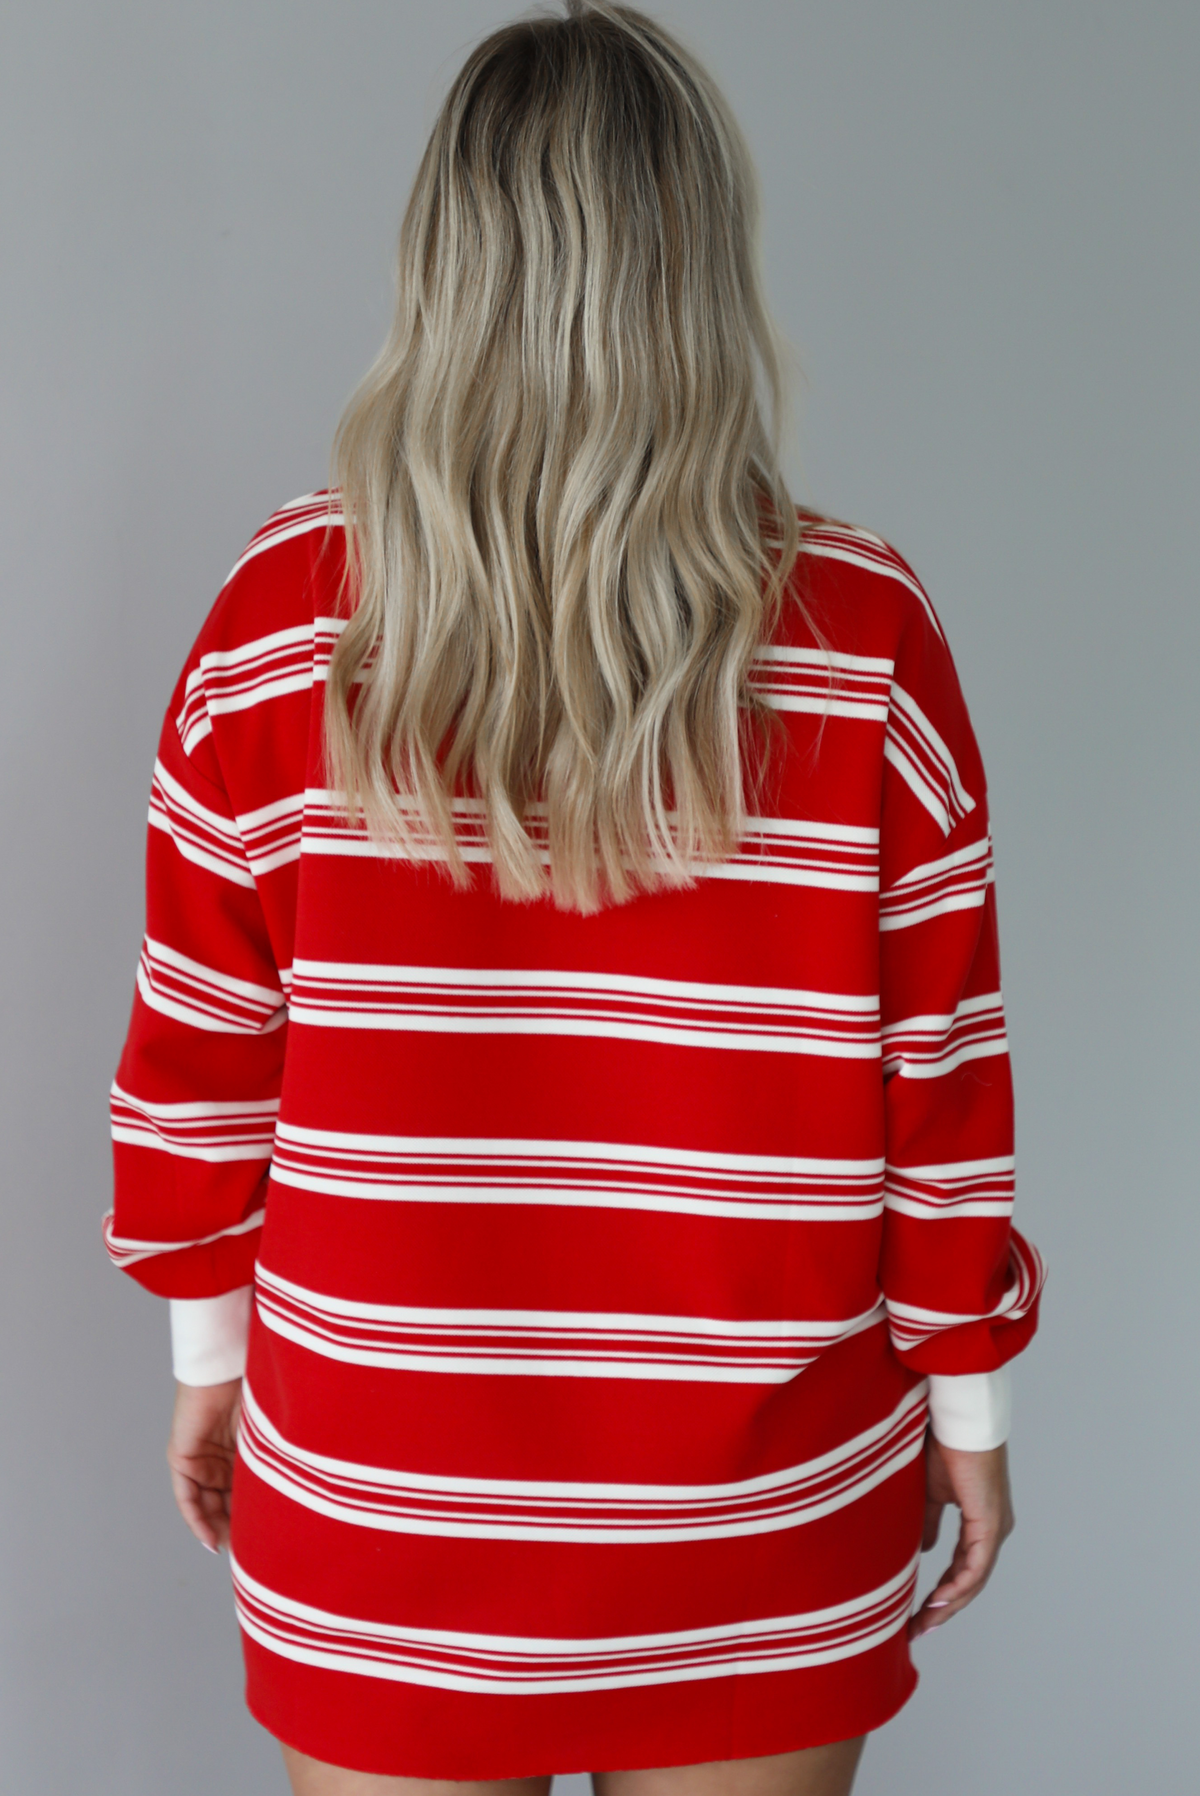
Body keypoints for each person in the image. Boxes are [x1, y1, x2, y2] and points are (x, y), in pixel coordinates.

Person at [105, 4, 1044, 1792]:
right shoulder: (865, 638)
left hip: (389, 1501)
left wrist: (206, 1350)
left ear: (441, 267)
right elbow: (944, 1089)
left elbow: (198, 1055)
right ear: (703, 272)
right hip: (758, 1513)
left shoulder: (278, 621)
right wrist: (974, 1405)